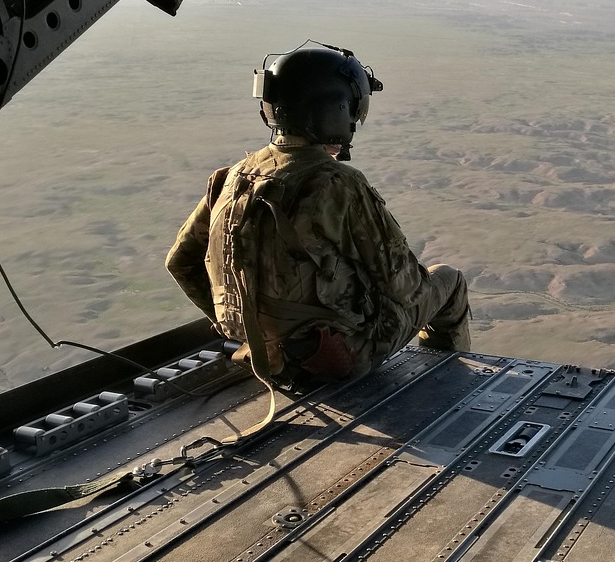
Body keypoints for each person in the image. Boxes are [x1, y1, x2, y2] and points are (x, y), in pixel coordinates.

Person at [166, 42, 470, 388]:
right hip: (336, 360)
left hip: (264, 358)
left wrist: (251, 331)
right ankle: (454, 387)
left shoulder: (231, 177)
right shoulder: (337, 184)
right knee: (449, 280)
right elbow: (405, 288)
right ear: (334, 110)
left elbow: (181, 262)